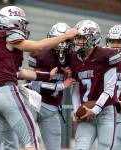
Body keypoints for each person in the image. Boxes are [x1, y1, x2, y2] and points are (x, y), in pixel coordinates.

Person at [0, 6, 78, 150]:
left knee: (9, 145)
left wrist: (47, 75)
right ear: (13, 22)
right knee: (31, 141)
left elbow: (20, 73)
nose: (23, 27)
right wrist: (65, 36)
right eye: (21, 22)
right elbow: (38, 46)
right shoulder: (7, 34)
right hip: (6, 92)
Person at [69, 20, 121, 150]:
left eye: (81, 38)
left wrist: (95, 110)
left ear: (92, 38)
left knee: (104, 148)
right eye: (76, 38)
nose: (77, 42)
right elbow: (74, 88)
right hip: (86, 111)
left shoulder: (106, 55)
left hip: (105, 110)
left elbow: (109, 89)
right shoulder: (74, 58)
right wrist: (76, 111)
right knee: (80, 147)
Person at [28, 22, 76, 150]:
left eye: (65, 41)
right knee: (29, 144)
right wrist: (61, 85)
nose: (61, 45)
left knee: (54, 146)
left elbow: (74, 81)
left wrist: (70, 74)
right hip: (33, 104)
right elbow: (35, 84)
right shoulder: (41, 54)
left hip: (52, 108)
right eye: (59, 40)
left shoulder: (71, 57)